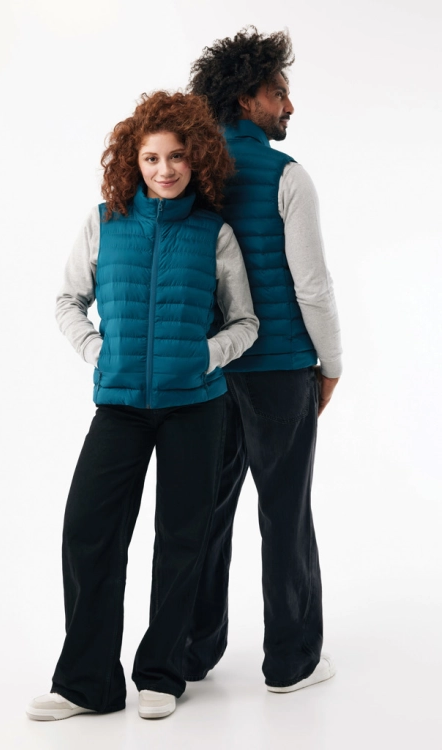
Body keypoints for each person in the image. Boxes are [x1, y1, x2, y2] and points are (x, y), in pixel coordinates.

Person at [26, 91, 259, 721]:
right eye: (151, 157)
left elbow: (245, 322)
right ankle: (87, 684)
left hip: (197, 407)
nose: (164, 169)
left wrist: (205, 356)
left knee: (181, 539)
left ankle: (161, 673)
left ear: (197, 158)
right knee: (88, 531)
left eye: (177, 156)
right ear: (133, 160)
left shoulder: (214, 233)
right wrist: (96, 351)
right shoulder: (104, 222)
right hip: (121, 406)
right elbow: (68, 301)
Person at [170, 27, 343, 692]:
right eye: (278, 93)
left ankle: (191, 653)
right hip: (280, 367)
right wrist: (331, 362)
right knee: (285, 512)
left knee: (205, 512)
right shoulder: (287, 175)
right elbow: (312, 285)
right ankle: (291, 662)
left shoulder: (188, 173)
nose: (289, 106)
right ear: (246, 99)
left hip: (209, 370)